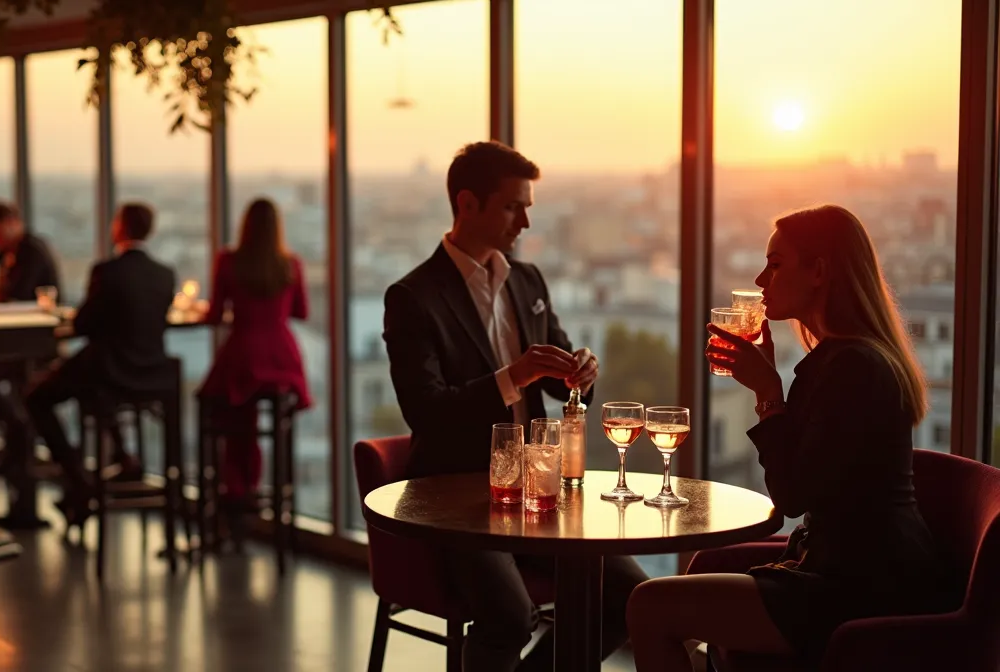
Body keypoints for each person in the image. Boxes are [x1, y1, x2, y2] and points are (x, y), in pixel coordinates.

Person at [626, 204, 951, 671]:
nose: (760, 280)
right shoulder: (843, 359)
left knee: (648, 607)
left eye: (775, 264)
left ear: (818, 271)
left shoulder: (852, 368)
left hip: (863, 586)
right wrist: (771, 392)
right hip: (859, 568)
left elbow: (793, 495)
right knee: (673, 594)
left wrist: (767, 393)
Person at [383, 141, 647, 671]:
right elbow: (427, 413)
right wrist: (515, 375)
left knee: (635, 599)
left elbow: (559, 378)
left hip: (538, 490)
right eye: (512, 206)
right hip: (454, 494)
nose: (525, 221)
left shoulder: (527, 281)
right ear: (467, 204)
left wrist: (580, 373)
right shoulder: (413, 297)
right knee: (508, 613)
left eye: (527, 206)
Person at [24, 202, 176, 525]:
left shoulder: (106, 272)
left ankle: (78, 478)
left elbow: (83, 325)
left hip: (109, 371)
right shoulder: (165, 274)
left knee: (37, 398)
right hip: (152, 371)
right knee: (90, 388)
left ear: (118, 227)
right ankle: (121, 457)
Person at [197, 198, 311, 530]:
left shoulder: (228, 261)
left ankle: (235, 488)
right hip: (281, 357)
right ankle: (251, 491)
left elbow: (216, 314)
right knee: (257, 417)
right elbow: (301, 312)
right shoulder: (291, 264)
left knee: (229, 412)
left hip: (243, 353)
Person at [0, 201, 61, 527]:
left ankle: (15, 445)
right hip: (18, 346)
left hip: (33, 348)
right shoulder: (6, 255)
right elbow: (3, 298)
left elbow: (15, 298)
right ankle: (13, 443)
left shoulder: (32, 252)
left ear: (12, 222)